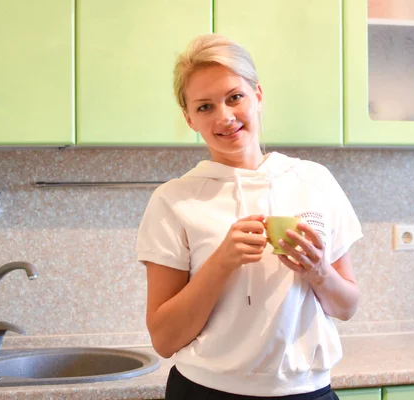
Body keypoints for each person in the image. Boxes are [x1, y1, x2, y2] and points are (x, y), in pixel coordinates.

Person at [136, 34, 363, 400]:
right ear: (189, 118)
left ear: (257, 95)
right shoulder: (173, 200)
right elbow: (164, 339)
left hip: (308, 392)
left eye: (234, 97)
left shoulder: (314, 181)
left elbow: (347, 306)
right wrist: (221, 263)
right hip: (207, 392)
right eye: (205, 107)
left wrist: (319, 270)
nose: (224, 117)